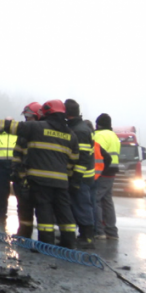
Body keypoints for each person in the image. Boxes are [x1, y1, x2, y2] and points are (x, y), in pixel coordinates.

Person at [0, 99, 79, 248]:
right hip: (61, 182)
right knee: (64, 212)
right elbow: (73, 161)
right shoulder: (70, 135)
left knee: (44, 211)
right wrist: (67, 177)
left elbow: (11, 126)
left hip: (40, 181)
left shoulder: (37, 128)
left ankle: (46, 245)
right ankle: (70, 244)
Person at [65, 99, 96, 249]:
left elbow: (82, 158)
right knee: (78, 204)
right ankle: (83, 234)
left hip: (81, 176)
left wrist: (76, 179)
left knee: (82, 204)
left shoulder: (80, 130)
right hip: (80, 175)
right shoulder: (78, 127)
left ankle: (87, 236)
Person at [12, 102, 43, 238]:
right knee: (23, 208)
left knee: (43, 208)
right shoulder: (24, 134)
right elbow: (17, 153)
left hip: (39, 178)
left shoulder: (43, 133)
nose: (26, 120)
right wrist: (15, 172)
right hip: (23, 178)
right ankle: (24, 234)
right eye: (26, 117)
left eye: (29, 117)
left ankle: (45, 238)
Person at [92, 113, 120, 240]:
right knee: (107, 200)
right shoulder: (114, 136)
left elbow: (97, 153)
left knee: (95, 199)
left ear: (98, 124)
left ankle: (99, 231)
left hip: (102, 171)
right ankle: (111, 231)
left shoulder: (99, 135)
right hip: (112, 171)